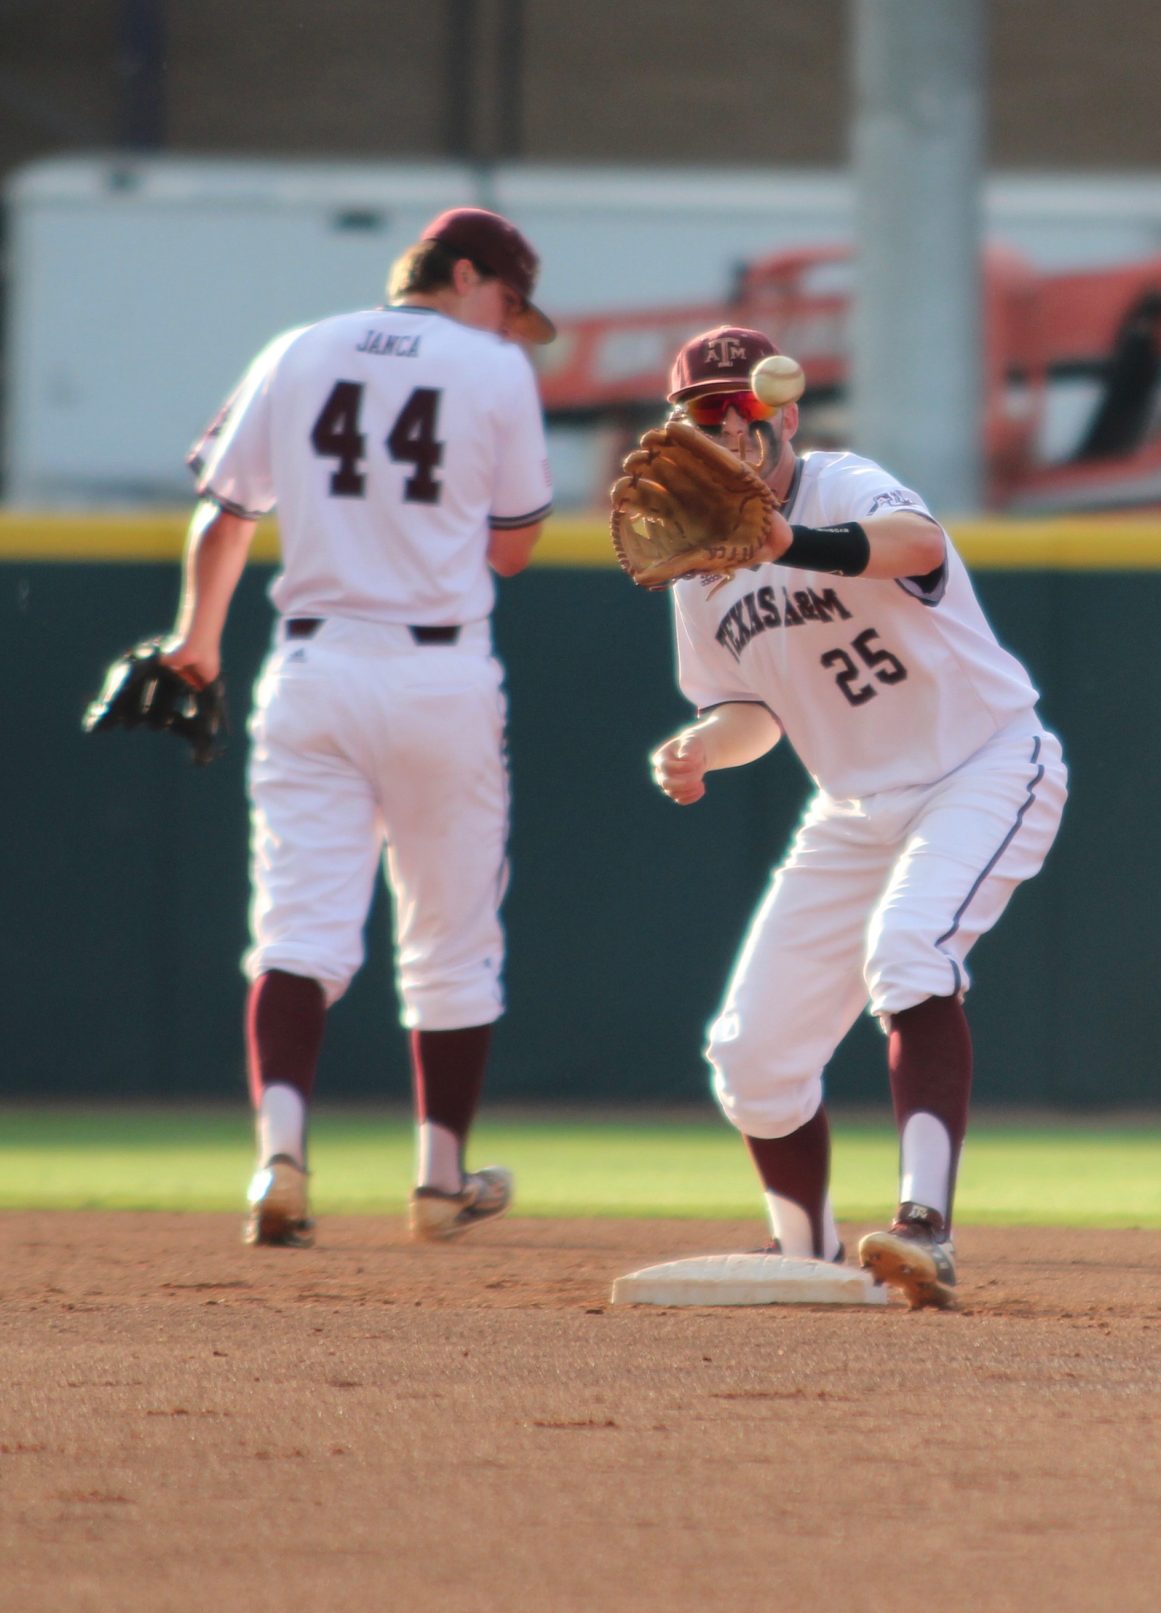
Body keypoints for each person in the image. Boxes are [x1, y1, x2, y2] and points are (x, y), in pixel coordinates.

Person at [644, 324, 1065, 1309]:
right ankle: (806, 1248)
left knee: (910, 949)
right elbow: (750, 710)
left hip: (982, 762)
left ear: (783, 413)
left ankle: (927, 1226)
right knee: (749, 1053)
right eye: (699, 413)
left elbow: (919, 545)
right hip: (852, 804)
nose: (722, 427)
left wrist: (790, 540)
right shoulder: (699, 559)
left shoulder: (841, 485)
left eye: (738, 407)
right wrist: (705, 743)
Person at [165, 207, 556, 1248]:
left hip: (313, 663)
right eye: (509, 301)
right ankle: (437, 1181)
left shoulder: (298, 349)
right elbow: (512, 552)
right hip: (437, 673)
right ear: (465, 273)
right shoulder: (493, 372)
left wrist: (195, 641)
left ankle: (278, 1160)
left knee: (297, 927)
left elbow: (224, 512)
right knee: (451, 937)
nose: (512, 325)